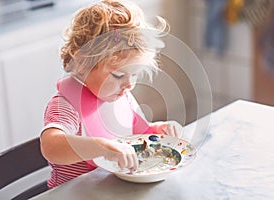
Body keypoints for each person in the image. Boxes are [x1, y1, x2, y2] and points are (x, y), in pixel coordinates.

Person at [40, 0, 182, 188]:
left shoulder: (120, 95)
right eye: (118, 75)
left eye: (134, 74)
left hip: (113, 188)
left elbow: (138, 135)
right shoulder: (66, 106)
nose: (129, 84)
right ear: (82, 62)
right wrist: (103, 147)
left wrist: (157, 131)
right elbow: (50, 146)